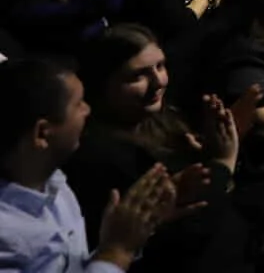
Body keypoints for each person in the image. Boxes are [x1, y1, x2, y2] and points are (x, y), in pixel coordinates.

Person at [0, 56, 177, 273]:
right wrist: (117, 251)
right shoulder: (6, 237)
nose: (87, 110)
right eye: (78, 104)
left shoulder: (55, 184)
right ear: (43, 133)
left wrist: (139, 225)